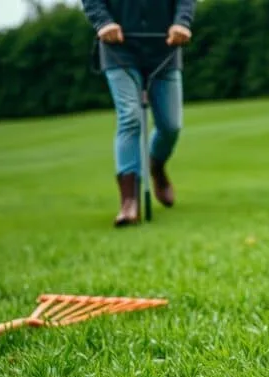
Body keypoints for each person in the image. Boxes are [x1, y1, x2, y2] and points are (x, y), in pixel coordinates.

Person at [81, 0, 197, 227]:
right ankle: (129, 201)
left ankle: (156, 165)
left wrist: (182, 23)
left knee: (170, 125)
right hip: (118, 46)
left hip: (165, 45)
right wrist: (103, 23)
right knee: (130, 117)